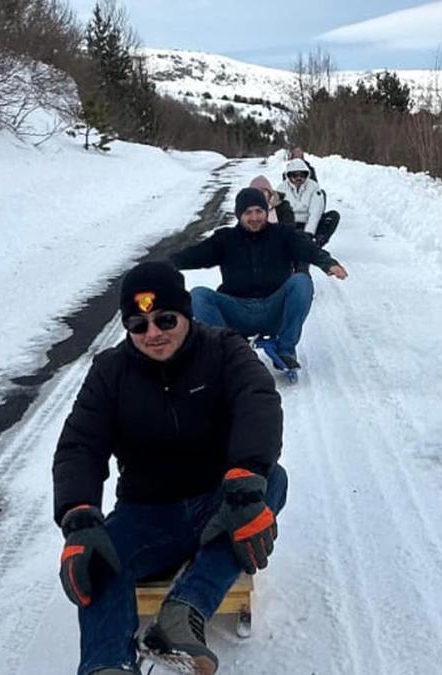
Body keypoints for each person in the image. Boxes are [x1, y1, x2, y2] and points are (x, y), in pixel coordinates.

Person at [53, 261, 288, 675]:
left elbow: (258, 400)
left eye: (164, 319)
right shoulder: (110, 372)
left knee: (272, 481)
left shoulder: (224, 349)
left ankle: (184, 613)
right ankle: (106, 665)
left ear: (185, 313)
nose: (153, 333)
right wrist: (78, 516)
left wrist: (246, 479)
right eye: (138, 325)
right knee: (100, 553)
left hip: (220, 500)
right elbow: (80, 445)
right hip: (146, 511)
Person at [172, 187, 348, 370]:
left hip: (274, 310)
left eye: (259, 211)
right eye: (248, 212)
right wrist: (165, 265)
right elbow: (193, 255)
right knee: (198, 295)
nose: (255, 217)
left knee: (302, 281)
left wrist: (328, 263)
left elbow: (308, 249)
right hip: (236, 312)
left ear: (266, 211)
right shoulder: (225, 239)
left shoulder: (283, 234)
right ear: (239, 214)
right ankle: (228, 352)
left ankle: (285, 350)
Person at [279, 158, 340, 248]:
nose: (299, 178)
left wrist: (309, 233)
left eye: (302, 175)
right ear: (289, 175)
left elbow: (316, 212)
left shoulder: (314, 187)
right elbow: (279, 212)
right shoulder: (281, 189)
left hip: (309, 223)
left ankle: (315, 245)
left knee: (333, 216)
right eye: (295, 175)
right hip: (291, 225)